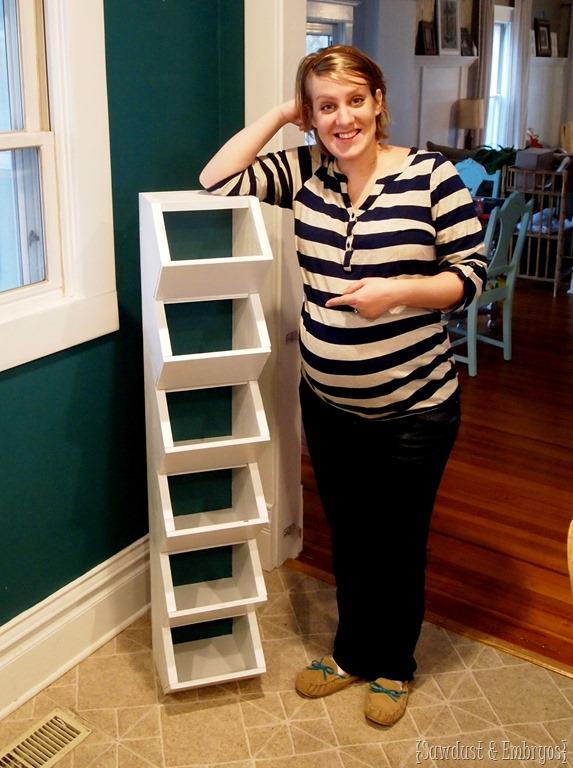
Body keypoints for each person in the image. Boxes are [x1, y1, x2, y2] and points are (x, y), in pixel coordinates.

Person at [200, 45, 486, 727]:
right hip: (327, 405)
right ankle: (354, 652)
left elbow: (468, 275)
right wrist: (279, 114)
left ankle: (394, 665)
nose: (342, 117)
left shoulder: (429, 176)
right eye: (325, 106)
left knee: (396, 540)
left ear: (378, 101)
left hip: (414, 409)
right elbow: (214, 181)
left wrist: (398, 292)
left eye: (354, 100)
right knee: (351, 538)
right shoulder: (303, 172)